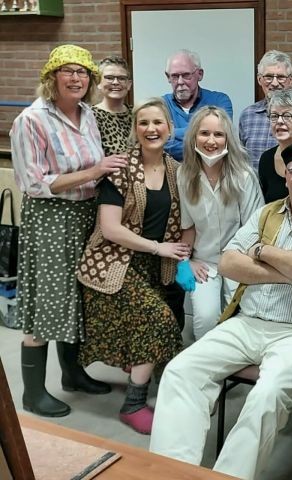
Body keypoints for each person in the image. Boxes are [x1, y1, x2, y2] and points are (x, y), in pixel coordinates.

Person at [149, 141, 292, 480]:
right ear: (286, 177)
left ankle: (229, 476)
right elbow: (229, 262)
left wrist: (262, 251)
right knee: (180, 371)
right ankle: (171, 472)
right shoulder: (267, 212)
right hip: (245, 323)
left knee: (267, 395)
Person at [11, 44, 126, 418]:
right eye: (68, 71)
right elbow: (33, 182)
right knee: (49, 299)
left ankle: (73, 374)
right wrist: (94, 172)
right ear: (52, 77)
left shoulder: (87, 114)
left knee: (78, 294)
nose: (76, 78)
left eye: (83, 72)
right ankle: (32, 393)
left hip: (85, 214)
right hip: (50, 218)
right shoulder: (31, 120)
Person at [76, 98, 190, 434]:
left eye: (158, 122)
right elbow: (110, 228)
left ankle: (163, 385)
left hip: (157, 266)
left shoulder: (178, 171)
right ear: (135, 129)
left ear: (170, 128)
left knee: (167, 319)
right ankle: (134, 404)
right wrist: (157, 247)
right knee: (158, 319)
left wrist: (186, 256)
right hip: (114, 262)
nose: (151, 129)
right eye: (143, 123)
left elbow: (189, 218)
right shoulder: (120, 169)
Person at [176, 106, 264, 341]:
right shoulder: (184, 176)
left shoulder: (244, 176)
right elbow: (188, 226)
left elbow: (254, 229)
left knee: (237, 319)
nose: (211, 141)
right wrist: (186, 261)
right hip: (204, 262)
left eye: (218, 134)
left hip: (239, 259)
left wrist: (240, 265)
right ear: (194, 137)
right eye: (204, 133)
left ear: (228, 139)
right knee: (205, 320)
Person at [239, 50, 292, 169]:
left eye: (281, 77)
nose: (275, 83)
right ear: (259, 79)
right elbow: (241, 159)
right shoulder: (247, 115)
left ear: (290, 80)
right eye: (268, 77)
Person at [162, 49, 233, 161]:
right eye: (174, 76)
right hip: (171, 171)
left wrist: (170, 133)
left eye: (186, 75)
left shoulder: (220, 101)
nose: (180, 82)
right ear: (168, 77)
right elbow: (159, 144)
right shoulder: (161, 106)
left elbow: (221, 141)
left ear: (200, 74)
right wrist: (203, 140)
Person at [92, 55, 133, 157]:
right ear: (98, 82)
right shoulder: (90, 116)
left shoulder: (136, 114)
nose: (115, 82)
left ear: (129, 84)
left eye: (121, 78)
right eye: (109, 78)